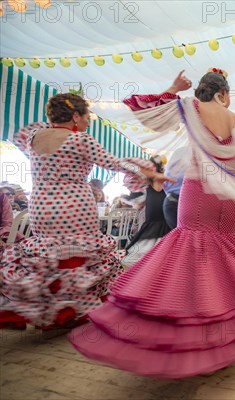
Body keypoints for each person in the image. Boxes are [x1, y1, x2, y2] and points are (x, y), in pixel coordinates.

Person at [70, 69, 235, 378]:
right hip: (228, 202)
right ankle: (217, 342)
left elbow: (145, 110)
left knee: (190, 262)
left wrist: (174, 87)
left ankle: (187, 340)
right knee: (219, 267)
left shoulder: (191, 108)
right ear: (224, 94)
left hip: (199, 194)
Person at [0, 93, 171, 330]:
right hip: (73, 205)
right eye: (87, 116)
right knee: (77, 256)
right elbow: (115, 162)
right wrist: (150, 172)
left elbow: (23, 135)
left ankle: (32, 308)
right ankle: (70, 310)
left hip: (40, 206)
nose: (88, 122)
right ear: (75, 116)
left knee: (48, 255)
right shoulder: (81, 140)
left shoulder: (34, 137)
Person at [122, 155, 172, 267]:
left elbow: (137, 205)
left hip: (154, 231)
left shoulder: (147, 189)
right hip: (164, 230)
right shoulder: (168, 188)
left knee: (142, 260)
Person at [162, 147, 186, 230]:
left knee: (181, 235)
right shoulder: (185, 169)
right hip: (177, 201)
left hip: (172, 200)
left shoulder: (171, 170)